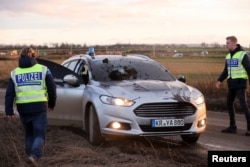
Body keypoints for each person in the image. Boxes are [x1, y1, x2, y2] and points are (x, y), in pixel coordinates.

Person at [5, 47, 57, 166]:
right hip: (39, 107)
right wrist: (52, 103)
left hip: (23, 109)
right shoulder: (43, 69)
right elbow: (52, 88)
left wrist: (9, 111)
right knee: (39, 134)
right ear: (34, 56)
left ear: (21, 57)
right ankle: (34, 156)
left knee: (29, 134)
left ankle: (30, 158)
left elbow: (9, 93)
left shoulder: (14, 73)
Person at [215, 36, 250, 136]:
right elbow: (226, 71)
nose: (226, 45)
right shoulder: (228, 56)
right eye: (226, 43)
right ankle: (232, 127)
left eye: (228, 43)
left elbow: (248, 68)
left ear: (234, 43)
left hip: (240, 83)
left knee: (243, 105)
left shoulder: (242, 54)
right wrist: (219, 80)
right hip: (231, 84)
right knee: (229, 103)